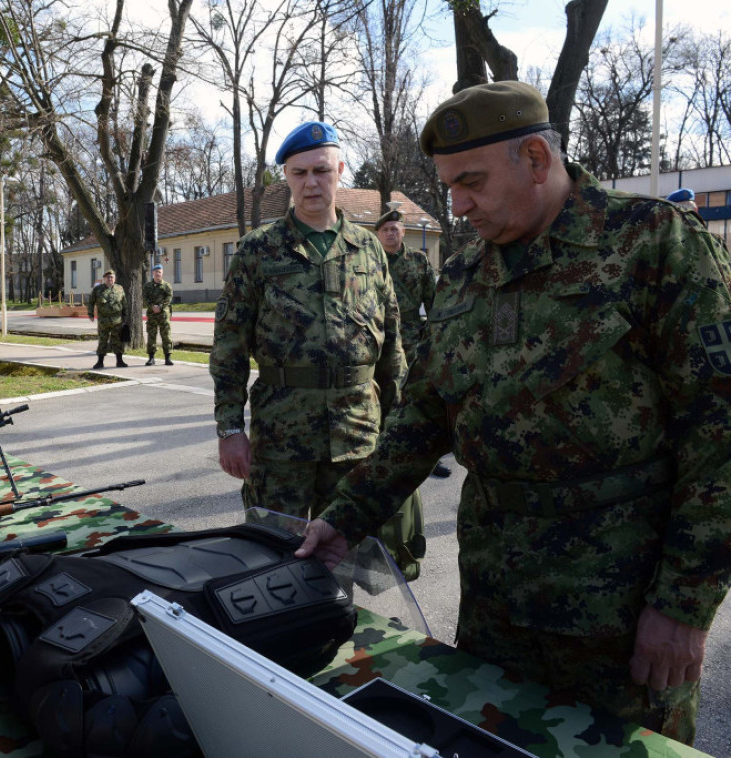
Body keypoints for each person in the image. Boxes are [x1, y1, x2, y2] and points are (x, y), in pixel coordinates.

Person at [296, 81, 731, 745]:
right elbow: (425, 415)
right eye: (448, 186)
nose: (458, 205)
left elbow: (718, 433)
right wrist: (347, 517)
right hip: (496, 597)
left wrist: (683, 605)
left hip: (618, 605)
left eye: (470, 181)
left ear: (536, 158)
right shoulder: (467, 269)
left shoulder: (651, 245)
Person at [210, 120, 416, 573]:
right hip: (282, 436)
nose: (311, 183)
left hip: (358, 432)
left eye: (321, 170)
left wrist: (399, 426)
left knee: (350, 557)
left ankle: (341, 629)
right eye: (298, 173)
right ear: (285, 178)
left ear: (340, 170)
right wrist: (230, 428)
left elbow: (393, 340)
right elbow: (228, 344)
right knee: (271, 554)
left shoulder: (369, 248)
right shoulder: (257, 251)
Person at [374, 208, 452, 479]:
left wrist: (436, 337)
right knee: (380, 392)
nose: (390, 233)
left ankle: (427, 457)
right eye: (385, 230)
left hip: (411, 336)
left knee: (419, 396)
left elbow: (433, 302)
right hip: (378, 334)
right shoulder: (372, 260)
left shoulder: (418, 261)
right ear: (378, 234)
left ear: (403, 232)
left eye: (395, 229)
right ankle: (382, 453)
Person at [88, 269, 127, 368]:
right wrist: (91, 314)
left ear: (114, 278)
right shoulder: (98, 289)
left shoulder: (120, 288)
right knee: (102, 341)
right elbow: (91, 302)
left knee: (118, 341)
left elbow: (124, 303)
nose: (110, 279)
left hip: (117, 320)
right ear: (104, 279)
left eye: (112, 277)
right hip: (103, 321)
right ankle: (100, 362)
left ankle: (120, 361)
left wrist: (125, 316)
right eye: (108, 277)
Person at [143, 263, 174, 365]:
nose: (158, 274)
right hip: (152, 314)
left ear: (162, 273)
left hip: (163, 314)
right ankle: (151, 358)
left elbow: (168, 298)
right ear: (153, 273)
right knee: (151, 335)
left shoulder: (167, 286)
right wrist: (153, 306)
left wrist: (160, 307)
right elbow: (145, 298)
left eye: (159, 272)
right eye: (156, 272)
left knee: (166, 335)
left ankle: (168, 358)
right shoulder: (147, 286)